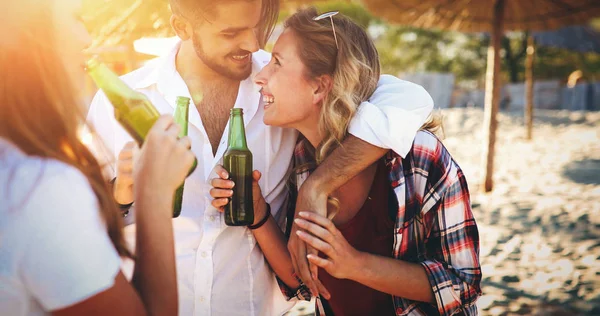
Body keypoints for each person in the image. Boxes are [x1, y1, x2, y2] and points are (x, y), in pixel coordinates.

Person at [87, 0, 434, 314]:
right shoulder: (119, 101)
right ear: (182, 28)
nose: (252, 44)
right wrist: (122, 193)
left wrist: (319, 183)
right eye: (231, 33)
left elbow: (407, 99)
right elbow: (81, 230)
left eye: (255, 27)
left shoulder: (283, 87)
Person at [210, 8, 482, 315]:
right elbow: (302, 282)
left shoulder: (418, 157)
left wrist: (353, 264)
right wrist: (257, 213)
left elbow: (464, 284)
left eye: (277, 63)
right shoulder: (301, 162)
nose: (260, 77)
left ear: (320, 86)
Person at [0, 0, 195, 315]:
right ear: (30, 37)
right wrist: (154, 193)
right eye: (76, 19)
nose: (86, 39)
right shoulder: (35, 187)